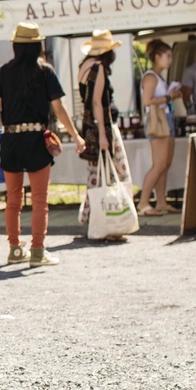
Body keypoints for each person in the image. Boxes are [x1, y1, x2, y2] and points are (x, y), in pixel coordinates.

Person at [0, 22, 86, 267]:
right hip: (35, 139)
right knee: (40, 199)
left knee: (13, 199)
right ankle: (37, 251)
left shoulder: (2, 72)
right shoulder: (45, 71)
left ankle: (14, 249)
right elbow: (59, 109)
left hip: (10, 139)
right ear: (37, 46)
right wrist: (75, 135)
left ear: (16, 46)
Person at [78, 30, 131, 242]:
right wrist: (103, 133)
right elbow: (98, 103)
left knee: (96, 175)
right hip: (102, 127)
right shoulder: (98, 67)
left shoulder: (84, 65)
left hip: (89, 125)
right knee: (117, 173)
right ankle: (109, 222)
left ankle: (92, 218)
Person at [137, 40, 180, 216]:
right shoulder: (151, 77)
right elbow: (147, 101)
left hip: (166, 118)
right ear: (157, 57)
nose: (170, 60)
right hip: (158, 120)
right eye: (167, 56)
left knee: (165, 164)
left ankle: (161, 202)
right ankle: (143, 202)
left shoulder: (159, 77)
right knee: (159, 164)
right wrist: (169, 98)